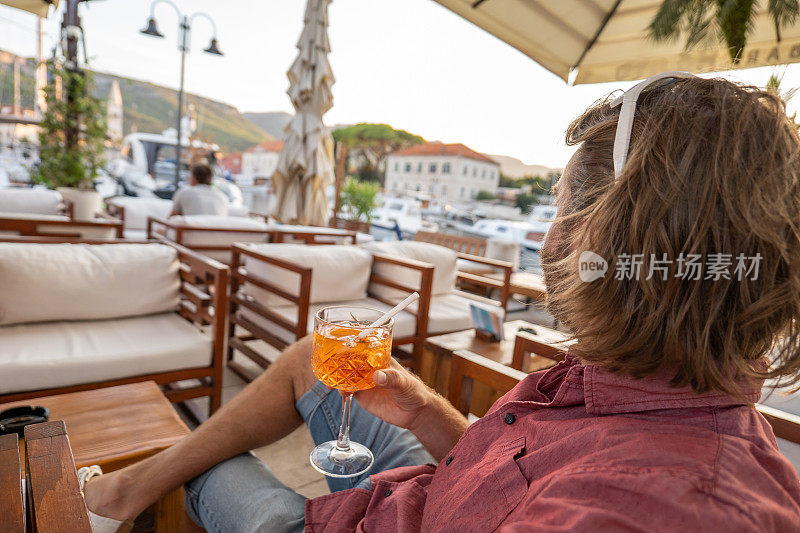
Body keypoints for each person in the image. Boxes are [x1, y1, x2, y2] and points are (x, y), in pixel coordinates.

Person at [83, 73, 800, 531]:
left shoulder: (639, 509)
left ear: (615, 240)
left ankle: (138, 488)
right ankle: (145, 482)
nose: (543, 236)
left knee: (211, 468)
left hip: (372, 517)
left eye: (558, 209)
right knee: (313, 358)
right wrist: (426, 411)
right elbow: (514, 476)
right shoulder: (629, 381)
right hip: (431, 488)